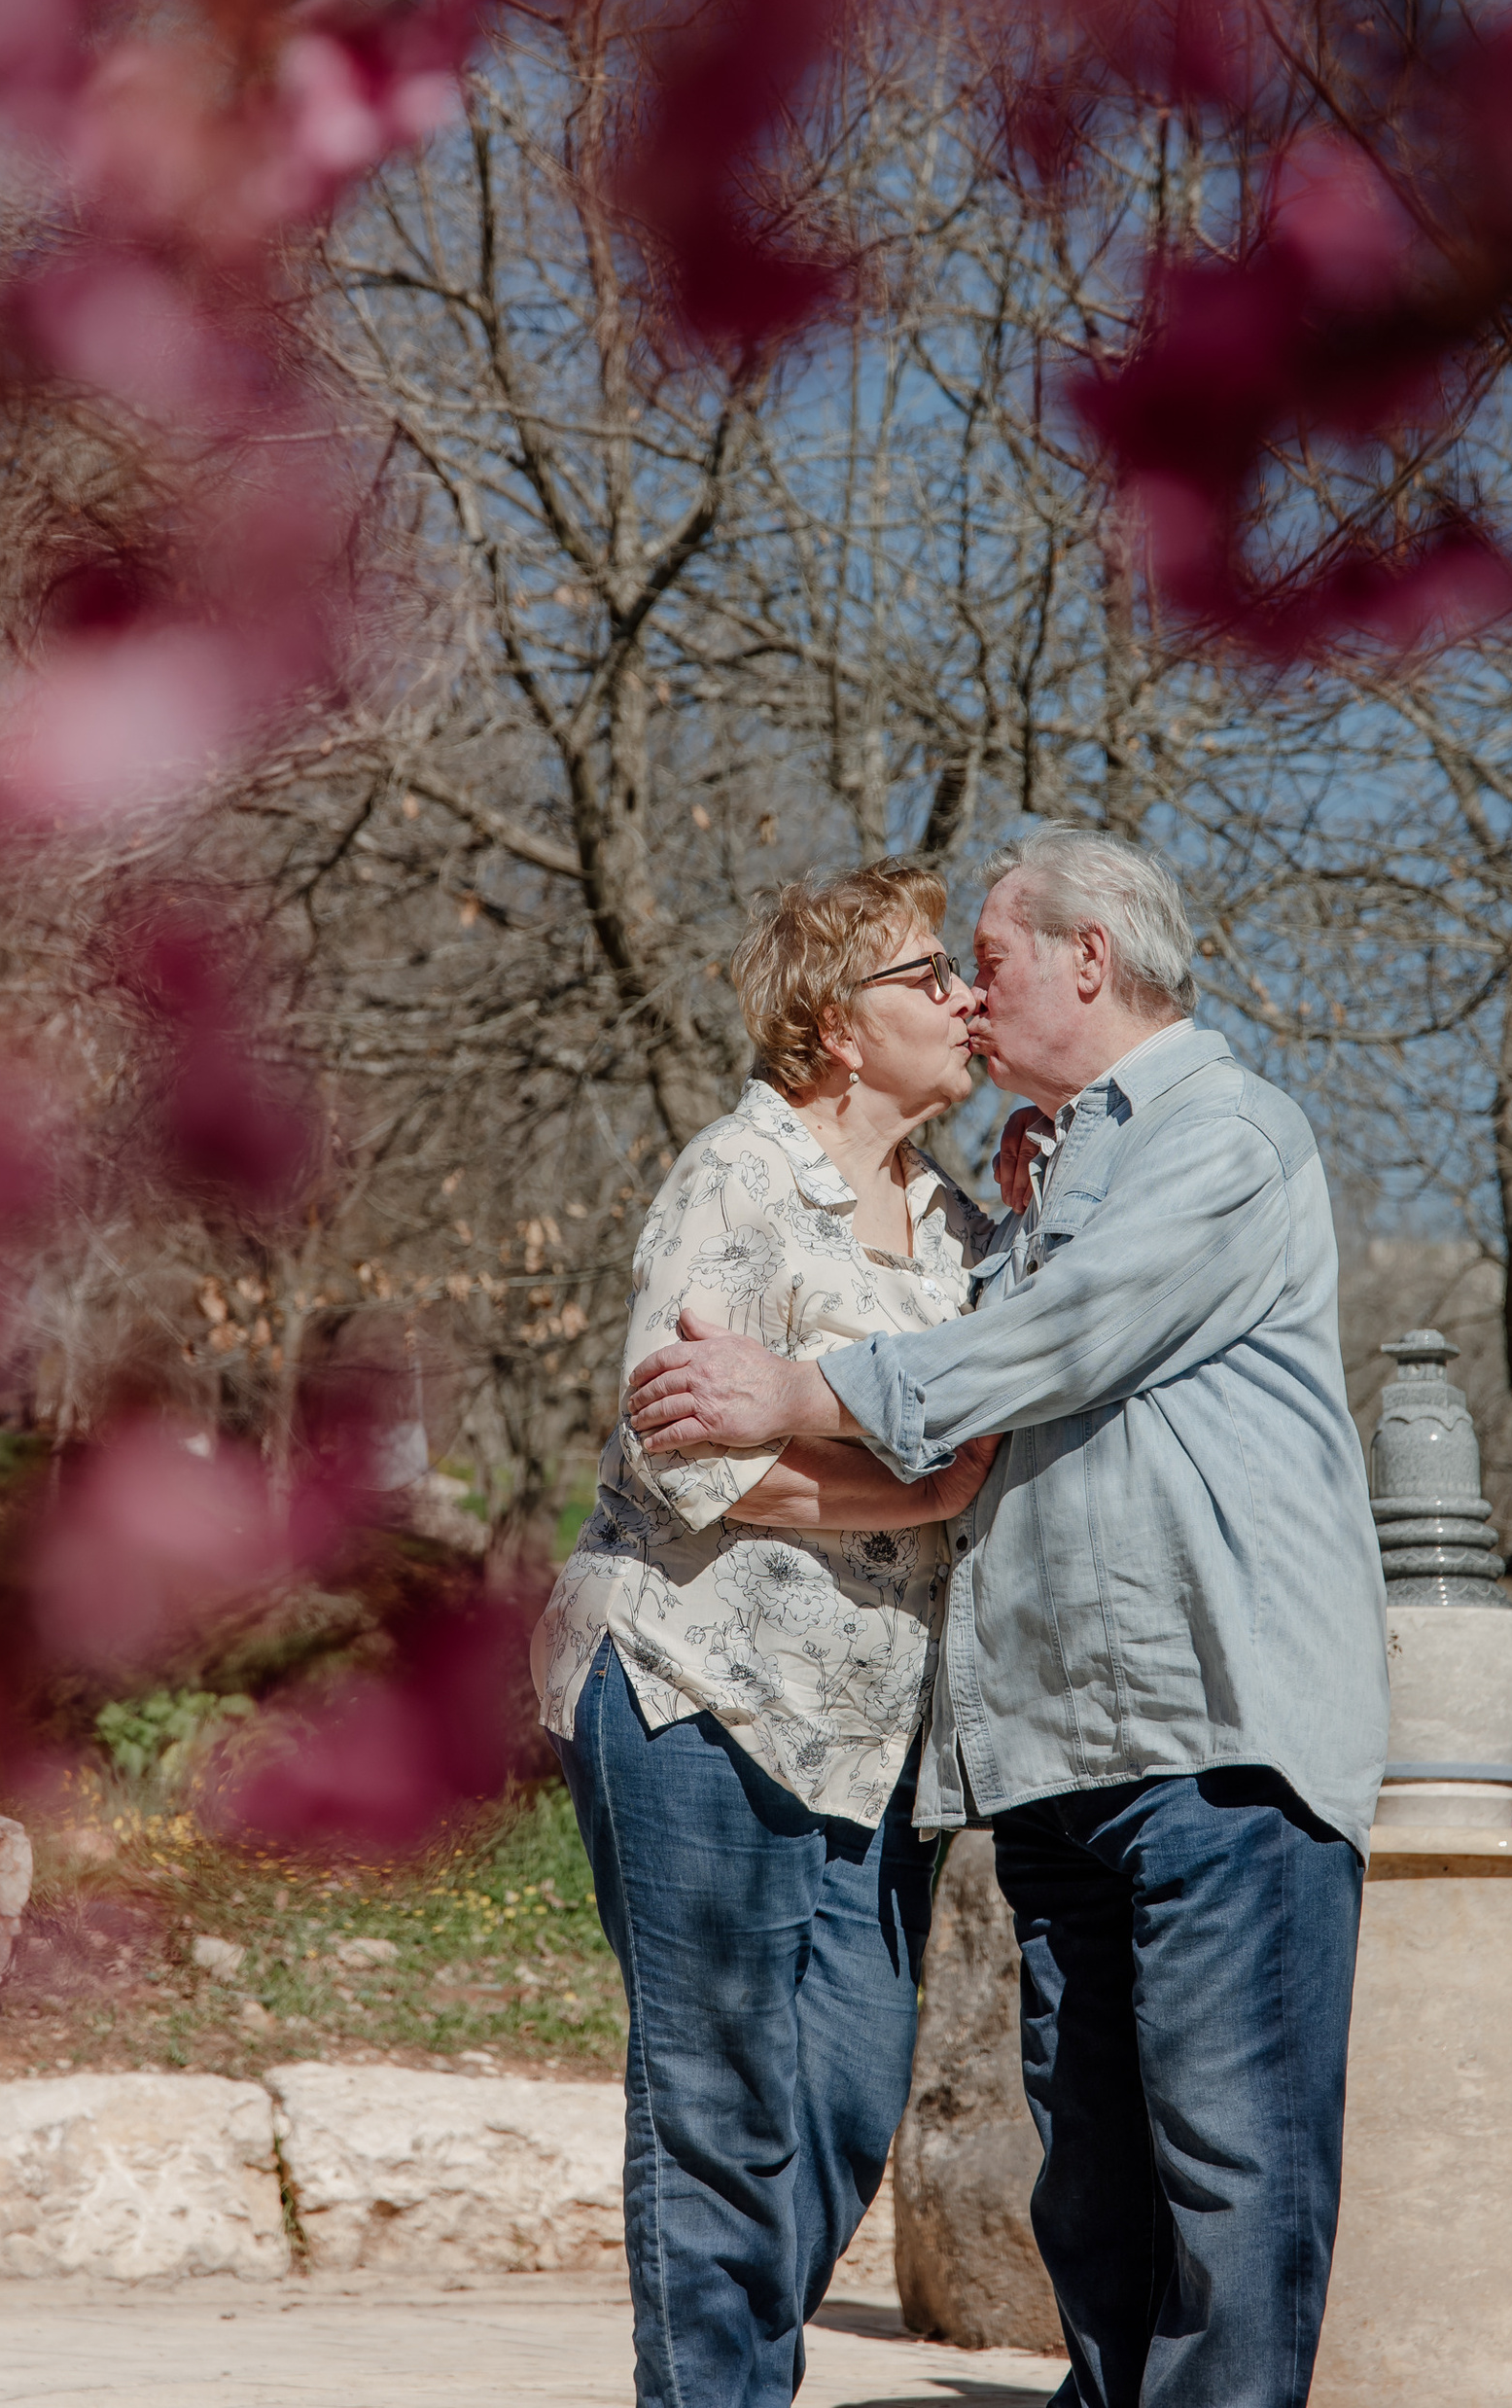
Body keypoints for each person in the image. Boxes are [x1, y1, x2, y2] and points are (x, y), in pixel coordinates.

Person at [626, 826, 1389, 2408]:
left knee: (1234, 2188)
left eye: (993, 962)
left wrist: (807, 1388)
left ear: (1087, 961)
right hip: (1036, 1762)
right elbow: (942, 1421)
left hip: (1214, 1746)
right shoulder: (1034, 1172)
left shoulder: (1221, 1137)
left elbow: (1063, 1345)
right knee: (1094, 2198)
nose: (975, 999)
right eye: (948, 972)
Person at [533, 856, 1000, 2408]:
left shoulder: (957, 1225)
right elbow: (690, 1454)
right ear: (837, 1026)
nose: (962, 997)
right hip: (693, 1694)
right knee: (718, 2103)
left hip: (871, 1744)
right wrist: (917, 1495)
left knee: (852, 2099)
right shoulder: (737, 1177)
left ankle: (724, 2376)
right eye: (928, 974)